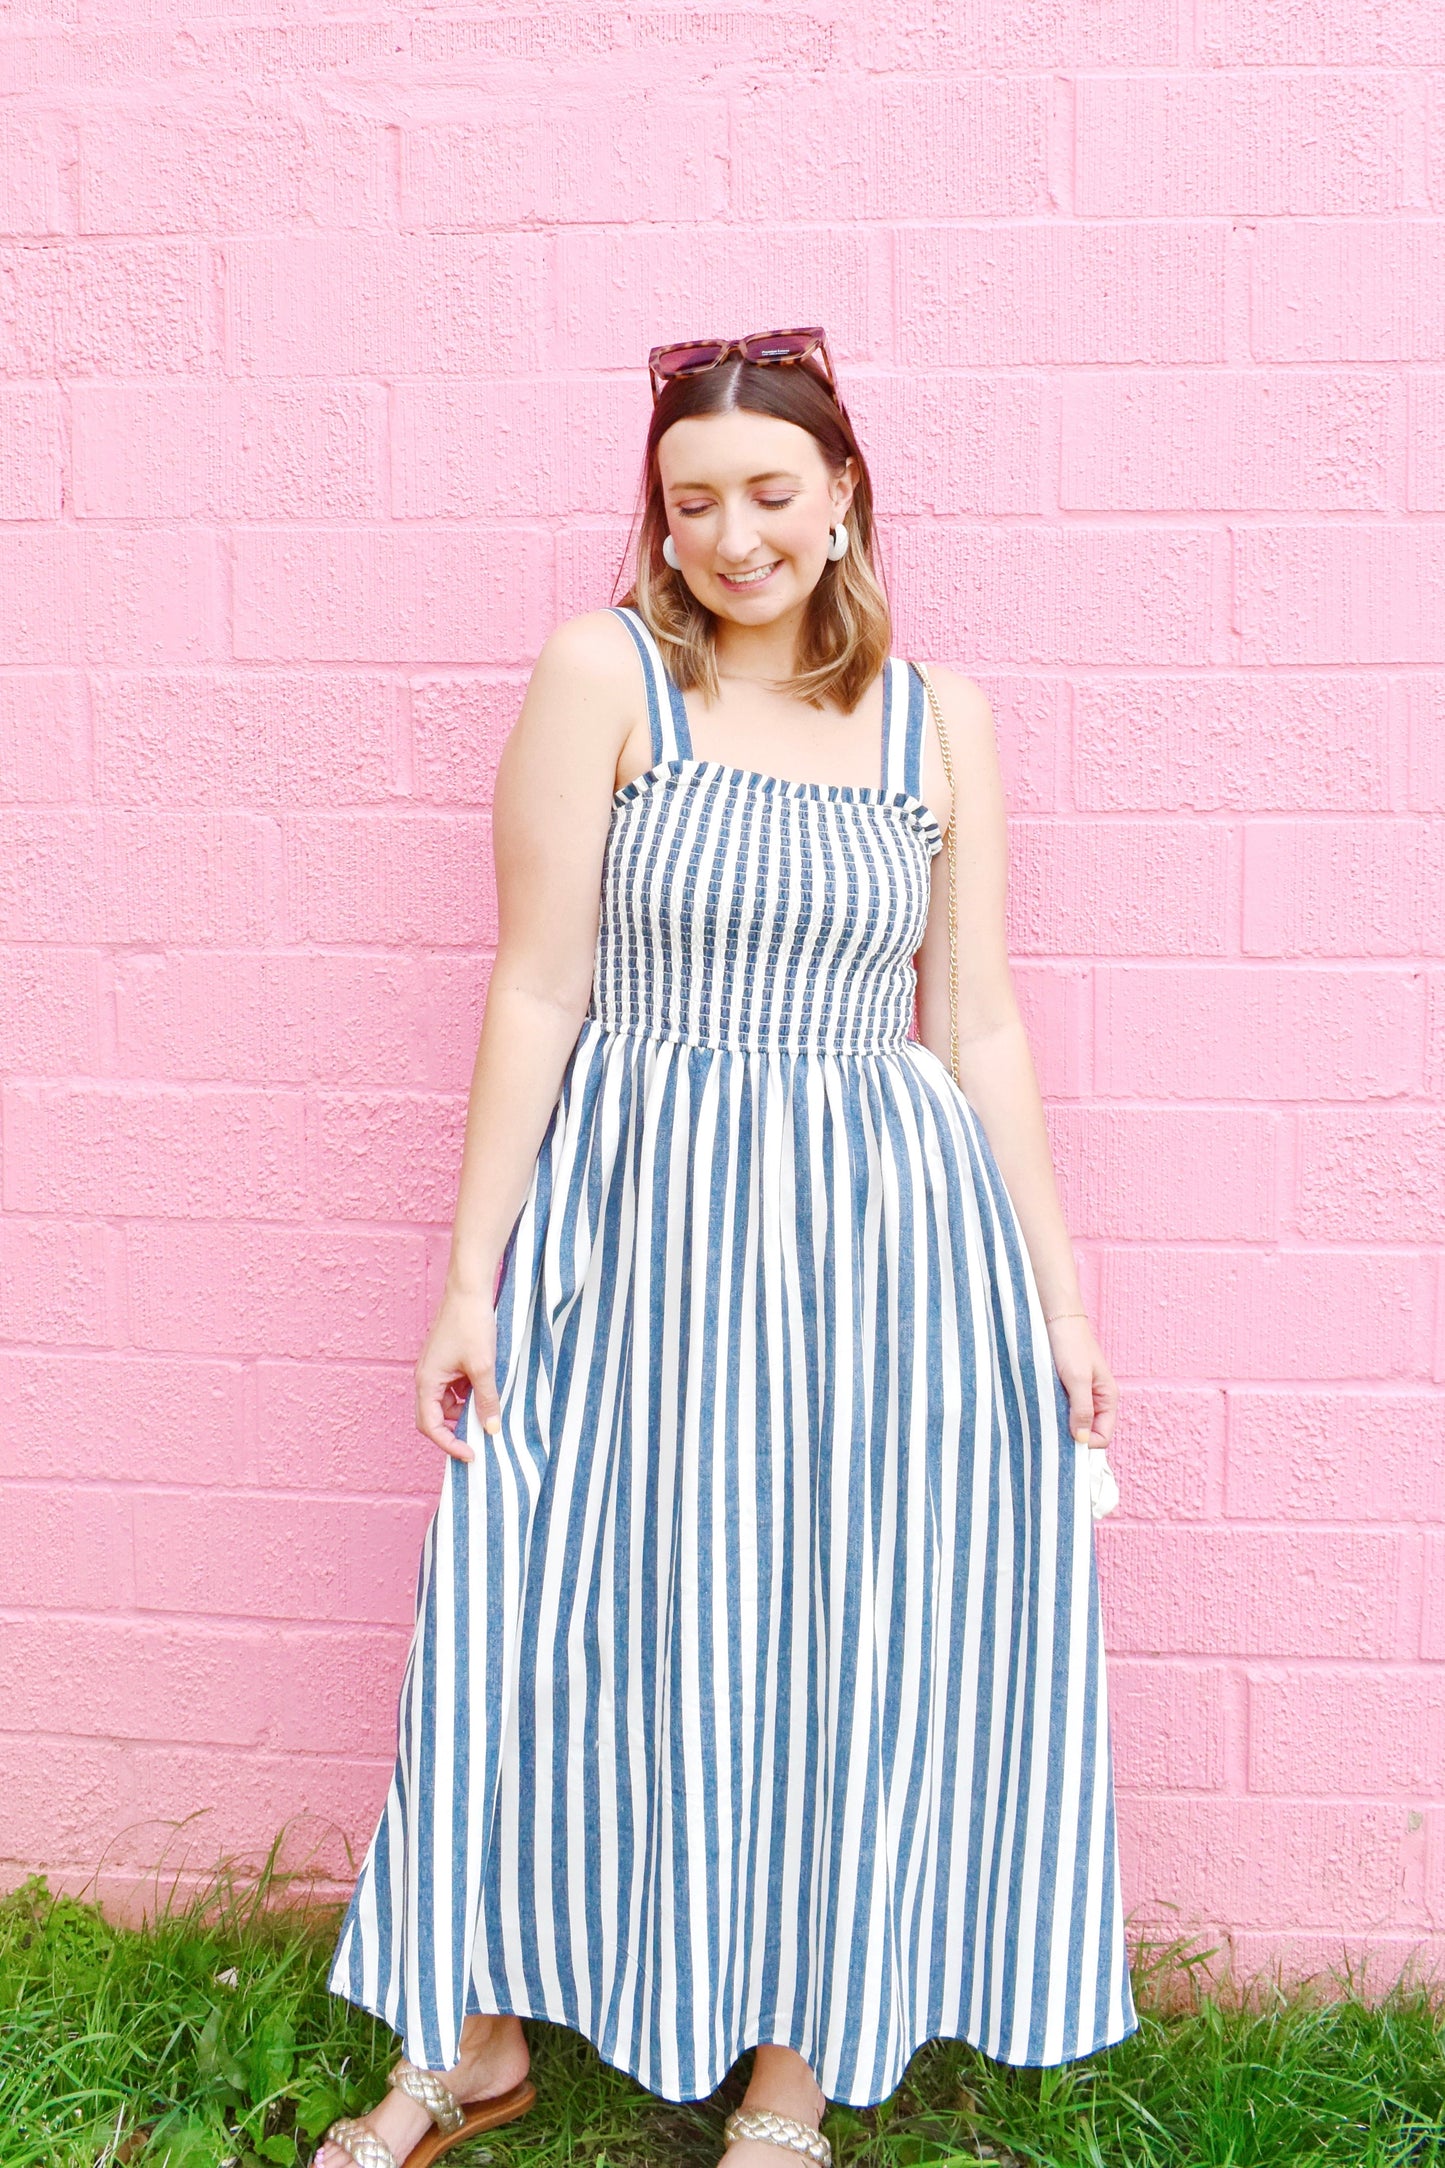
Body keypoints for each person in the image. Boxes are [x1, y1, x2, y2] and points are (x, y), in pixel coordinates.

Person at [314, 327, 1138, 2168]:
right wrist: (471, 1275)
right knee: (546, 1605)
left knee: (839, 1631)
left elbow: (974, 1020)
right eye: (691, 502)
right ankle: (472, 2043)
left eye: (769, 493)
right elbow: (539, 983)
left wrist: (1058, 1299)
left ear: (843, 493)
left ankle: (790, 2073)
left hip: (877, 1238)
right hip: (637, 1217)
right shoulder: (606, 674)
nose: (732, 537)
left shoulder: (938, 722)